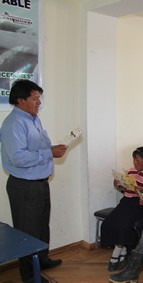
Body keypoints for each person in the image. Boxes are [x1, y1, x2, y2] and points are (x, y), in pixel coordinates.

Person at [0, 79, 67, 282]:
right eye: (35, 98)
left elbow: (38, 147)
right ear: (21, 100)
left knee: (40, 226)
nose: (39, 102)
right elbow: (18, 158)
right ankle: (30, 275)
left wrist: (53, 149)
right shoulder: (13, 123)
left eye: (39, 98)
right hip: (24, 187)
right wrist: (49, 152)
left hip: (39, 183)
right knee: (27, 232)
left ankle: (43, 259)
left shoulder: (33, 119)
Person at [101, 147, 143, 271]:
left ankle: (115, 256)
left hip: (141, 204)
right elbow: (126, 189)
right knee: (109, 223)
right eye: (134, 160)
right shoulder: (132, 171)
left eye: (138, 160)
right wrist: (120, 186)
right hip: (127, 202)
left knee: (125, 226)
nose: (135, 163)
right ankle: (122, 253)